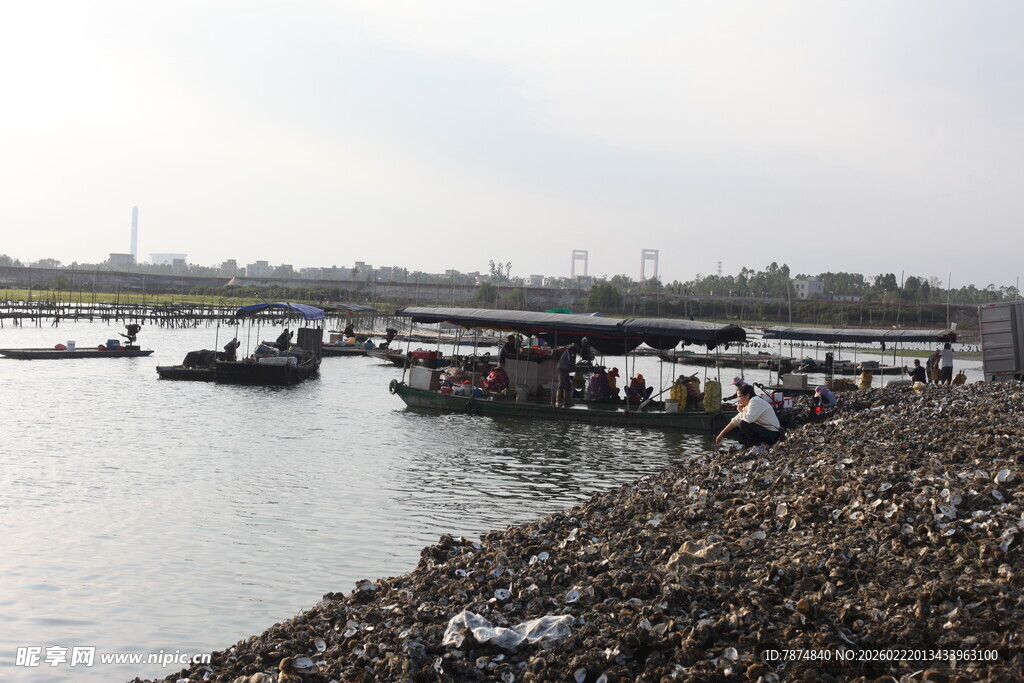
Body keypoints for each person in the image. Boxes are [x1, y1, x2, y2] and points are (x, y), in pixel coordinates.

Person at [715, 384, 781, 449]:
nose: (738, 400)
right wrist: (721, 434)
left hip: (773, 434)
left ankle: (756, 445)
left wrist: (741, 412)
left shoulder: (755, 401)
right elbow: (736, 420)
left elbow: (749, 419)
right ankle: (744, 445)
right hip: (767, 432)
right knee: (741, 422)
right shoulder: (750, 404)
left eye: (739, 397)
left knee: (743, 424)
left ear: (747, 396)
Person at [555, 343, 579, 407]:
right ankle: (559, 401)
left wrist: (575, 369)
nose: (579, 349)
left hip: (564, 369)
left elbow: (571, 364)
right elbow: (571, 363)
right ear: (576, 346)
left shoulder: (572, 351)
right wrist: (576, 370)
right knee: (563, 385)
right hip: (563, 369)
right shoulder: (571, 352)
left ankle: (565, 401)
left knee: (566, 385)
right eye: (579, 347)